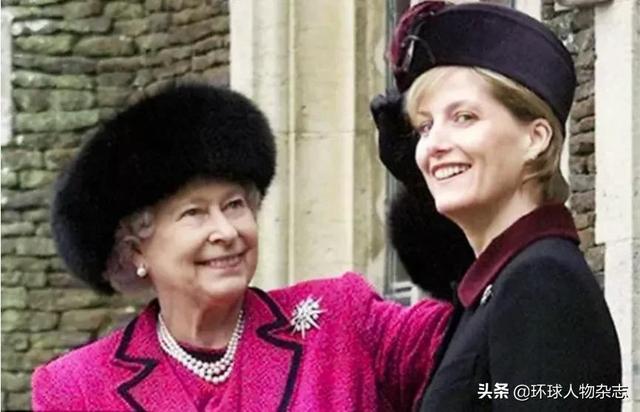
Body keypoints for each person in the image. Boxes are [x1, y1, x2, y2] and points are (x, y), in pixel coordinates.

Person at [32, 83, 467, 412]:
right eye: (194, 213)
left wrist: (432, 191)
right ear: (134, 250)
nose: (226, 231)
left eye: (235, 205)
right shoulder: (78, 389)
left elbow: (481, 366)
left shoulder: (342, 320)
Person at [371, 2, 621, 411]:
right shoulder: (502, 284)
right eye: (425, 126)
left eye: (464, 117)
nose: (433, 145)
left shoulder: (541, 282)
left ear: (535, 139)